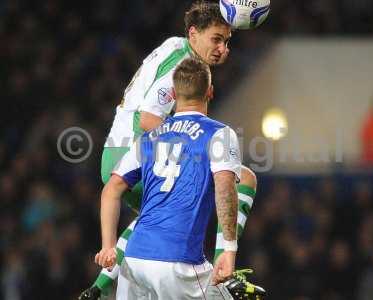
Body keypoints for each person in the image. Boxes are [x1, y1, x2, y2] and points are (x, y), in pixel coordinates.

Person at [79, 2, 264, 299]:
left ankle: (100, 287)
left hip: (116, 154)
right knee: (241, 178)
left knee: (155, 220)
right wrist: (193, 142)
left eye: (227, 41)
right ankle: (224, 265)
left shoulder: (176, 49)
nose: (222, 48)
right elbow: (147, 116)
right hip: (132, 149)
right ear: (194, 34)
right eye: (216, 39)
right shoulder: (182, 60)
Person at [95, 57, 240, 299]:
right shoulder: (219, 134)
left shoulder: (148, 138)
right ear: (210, 92)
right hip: (180, 263)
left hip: (135, 261)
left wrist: (108, 245)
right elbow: (225, 188)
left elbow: (111, 189)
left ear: (173, 93)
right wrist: (229, 248)